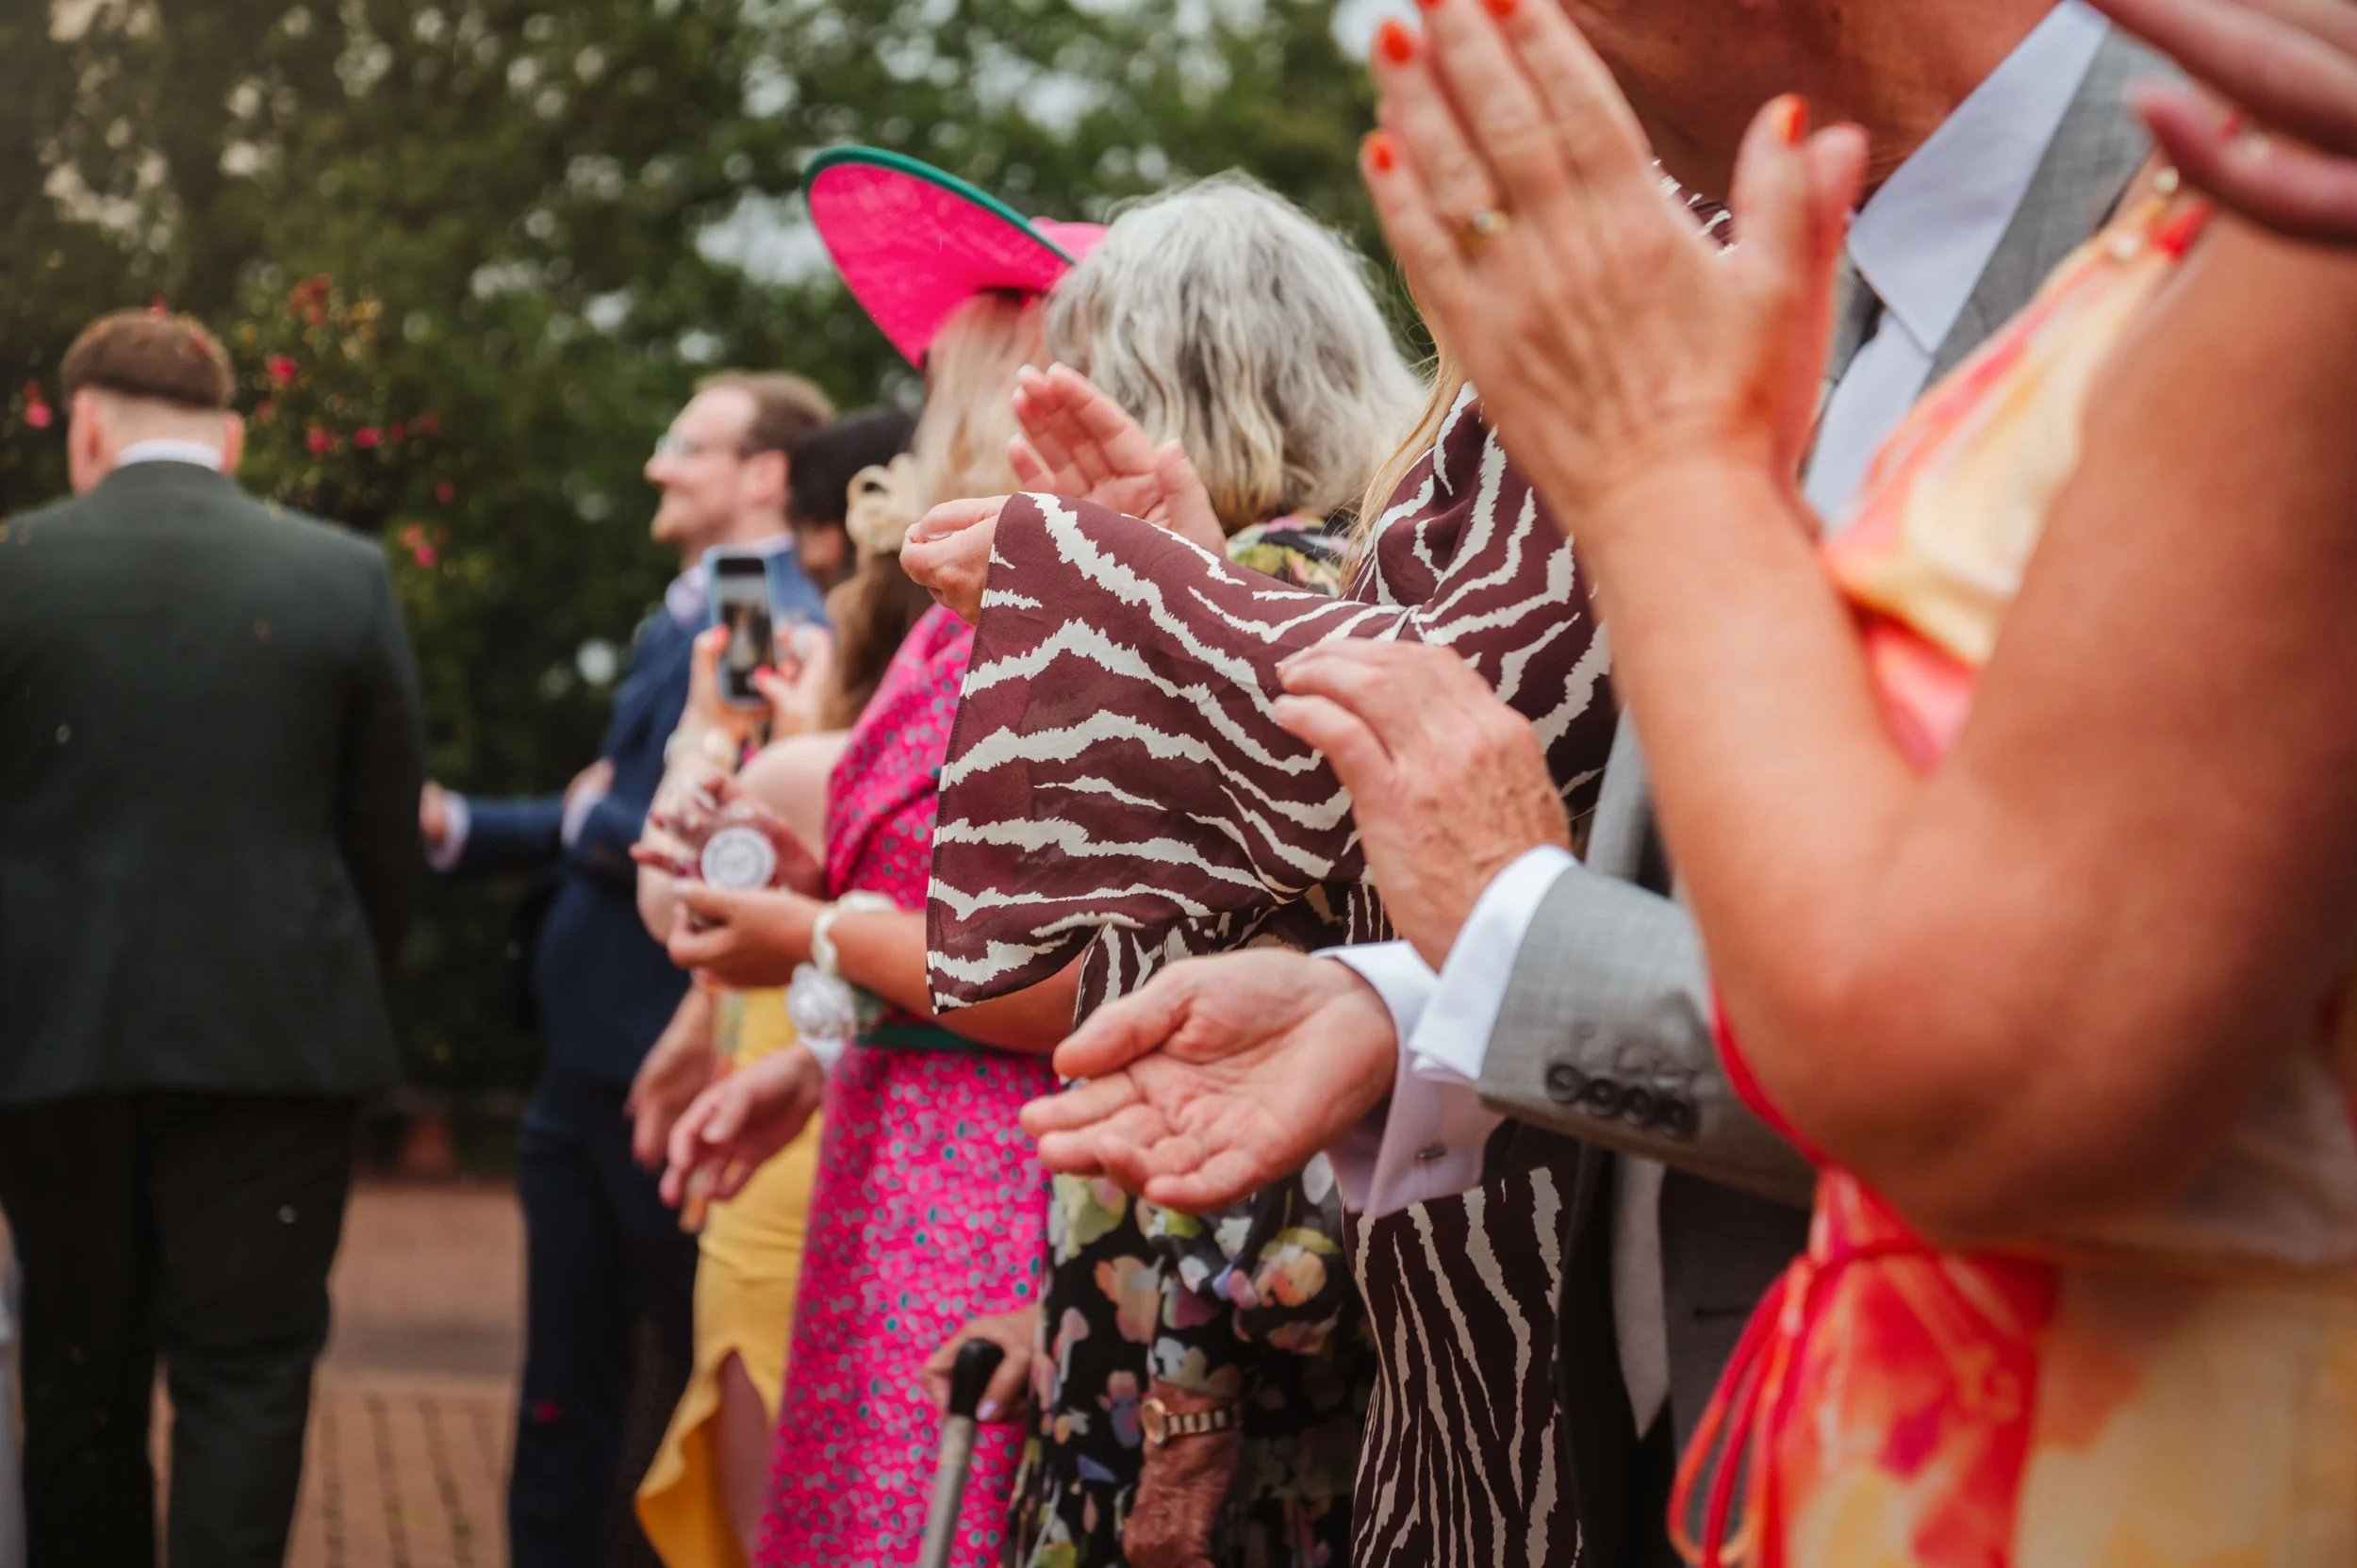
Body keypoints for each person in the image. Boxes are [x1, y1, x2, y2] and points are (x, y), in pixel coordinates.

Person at [1041, 0, 2357, 1560]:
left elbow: (1996, 1064)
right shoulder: (1845, 249)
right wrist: (1414, 1008)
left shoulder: (2252, 209)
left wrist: (1528, 916)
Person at [910, 175, 1422, 1568]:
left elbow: (1206, 1022)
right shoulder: (1373, 590)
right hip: (1299, 1338)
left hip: (1218, 1376)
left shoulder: (1222, 613)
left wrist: (1184, 1422)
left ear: (1141, 380)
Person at [649, 147, 1106, 1568]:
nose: (927, 408)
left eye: (952, 374)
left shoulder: (1079, 627)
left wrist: (816, 939)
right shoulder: (946, 624)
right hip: (889, 1160)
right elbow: (929, 911)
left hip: (1001, 1199)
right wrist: (818, 1050)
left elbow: (1079, 978)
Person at [0, 310, 424, 1567]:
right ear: (232, 436)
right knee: (247, 1378)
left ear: (84, 426)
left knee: (79, 1381)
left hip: (53, 1041)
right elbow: (384, 832)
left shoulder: (11, 565)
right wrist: (341, 981)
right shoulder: (339, 573)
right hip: (278, 1045)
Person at [419, 370, 832, 1567]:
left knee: (632, 1379)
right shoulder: (706, 602)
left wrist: (598, 817)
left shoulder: (754, 602)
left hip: (659, 1049)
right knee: (587, 1379)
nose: (659, 463)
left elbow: (708, 826)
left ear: (763, 474)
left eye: (686, 444)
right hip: (599, 1046)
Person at [628, 407, 920, 1568]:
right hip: (834, 1108)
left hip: (798, 1148)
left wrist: (709, 729)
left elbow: (674, 906)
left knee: (780, 1525)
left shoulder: (818, 763)